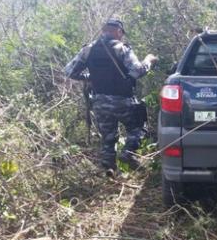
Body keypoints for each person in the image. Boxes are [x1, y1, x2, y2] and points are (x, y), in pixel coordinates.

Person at [64, 19, 158, 173]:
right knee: (139, 128)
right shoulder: (122, 49)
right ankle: (128, 153)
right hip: (123, 100)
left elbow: (69, 71)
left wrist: (92, 77)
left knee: (108, 136)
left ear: (103, 31)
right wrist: (149, 60)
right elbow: (138, 71)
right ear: (119, 32)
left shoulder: (88, 49)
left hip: (100, 101)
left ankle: (109, 168)